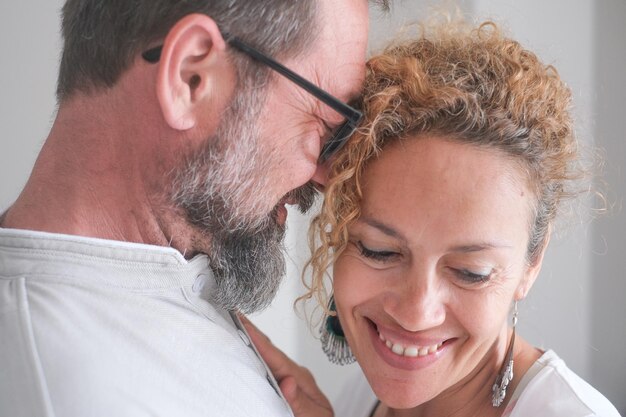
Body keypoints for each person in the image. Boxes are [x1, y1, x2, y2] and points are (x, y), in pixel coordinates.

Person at [0, 0, 390, 416]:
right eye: (331, 123)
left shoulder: (158, 276)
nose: (328, 176)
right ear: (190, 76)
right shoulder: (78, 396)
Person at [245, 16, 622, 417]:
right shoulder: (371, 392)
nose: (414, 314)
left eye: (470, 272)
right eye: (379, 251)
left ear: (531, 264)